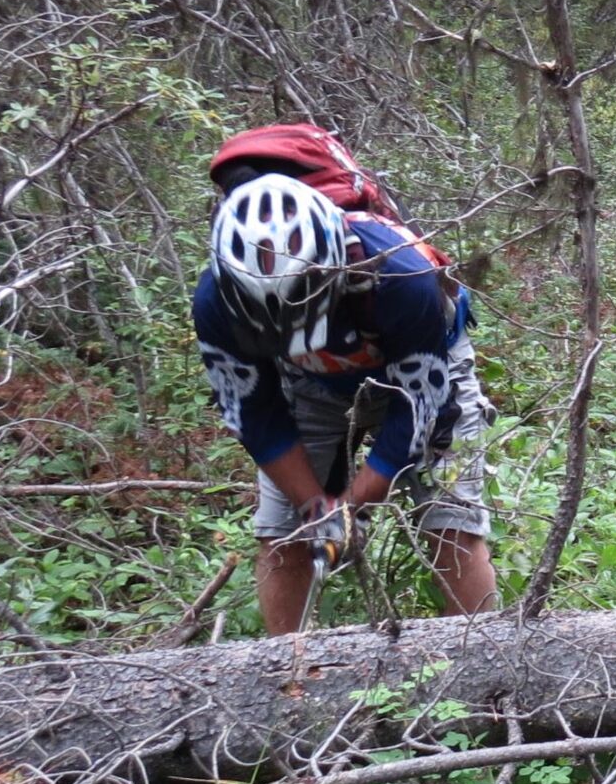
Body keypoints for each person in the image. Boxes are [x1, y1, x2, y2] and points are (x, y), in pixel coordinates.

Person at [194, 170, 500, 631]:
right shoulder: (214, 303)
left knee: (451, 525)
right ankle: (287, 673)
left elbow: (417, 408)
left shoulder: (402, 276)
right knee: (284, 537)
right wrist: (316, 508)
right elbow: (254, 414)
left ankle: (484, 668)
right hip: (309, 385)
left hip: (424, 370)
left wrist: (354, 505)